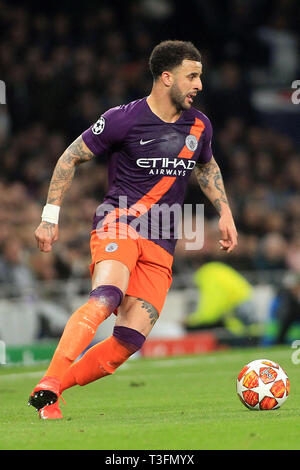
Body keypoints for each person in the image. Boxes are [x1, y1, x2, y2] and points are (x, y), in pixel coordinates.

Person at [28, 40, 238, 419]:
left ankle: (54, 388)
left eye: (201, 77)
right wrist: (50, 216)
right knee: (106, 296)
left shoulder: (200, 125)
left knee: (128, 340)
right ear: (166, 77)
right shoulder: (123, 118)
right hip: (119, 222)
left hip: (162, 239)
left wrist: (224, 211)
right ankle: (48, 380)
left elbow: (206, 167)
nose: (200, 85)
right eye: (192, 76)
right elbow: (69, 157)